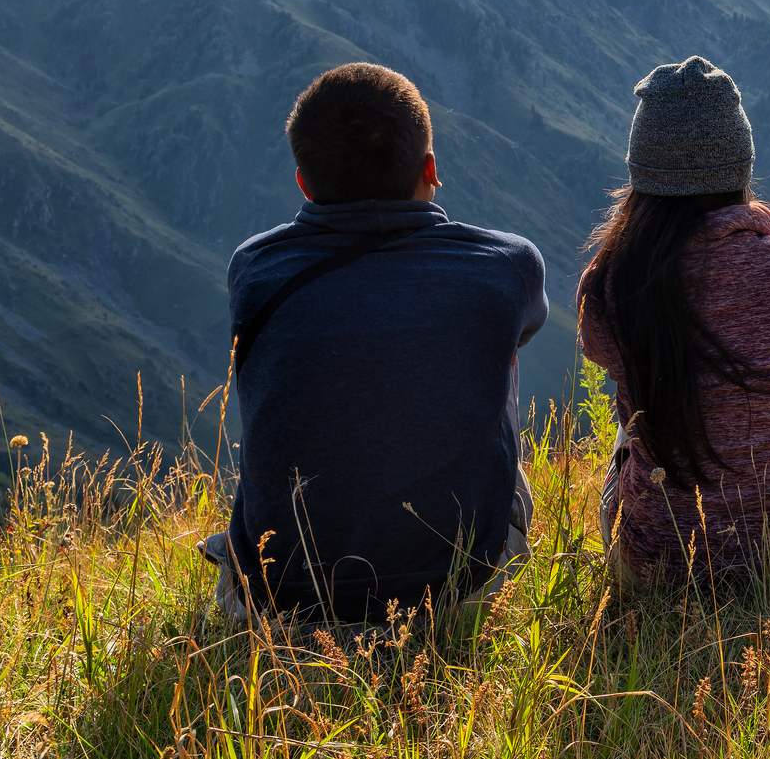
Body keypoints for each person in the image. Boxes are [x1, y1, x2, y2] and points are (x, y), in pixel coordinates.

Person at [204, 63, 546, 625]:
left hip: (278, 587)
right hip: (457, 582)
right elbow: (523, 329)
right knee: (494, 348)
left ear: (304, 183)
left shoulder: (255, 267)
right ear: (430, 169)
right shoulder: (505, 267)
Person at [578, 55, 770, 585]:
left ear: (641, 178)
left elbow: (600, 349)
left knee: (634, 421)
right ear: (743, 169)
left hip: (660, 562)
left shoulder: (610, 287)